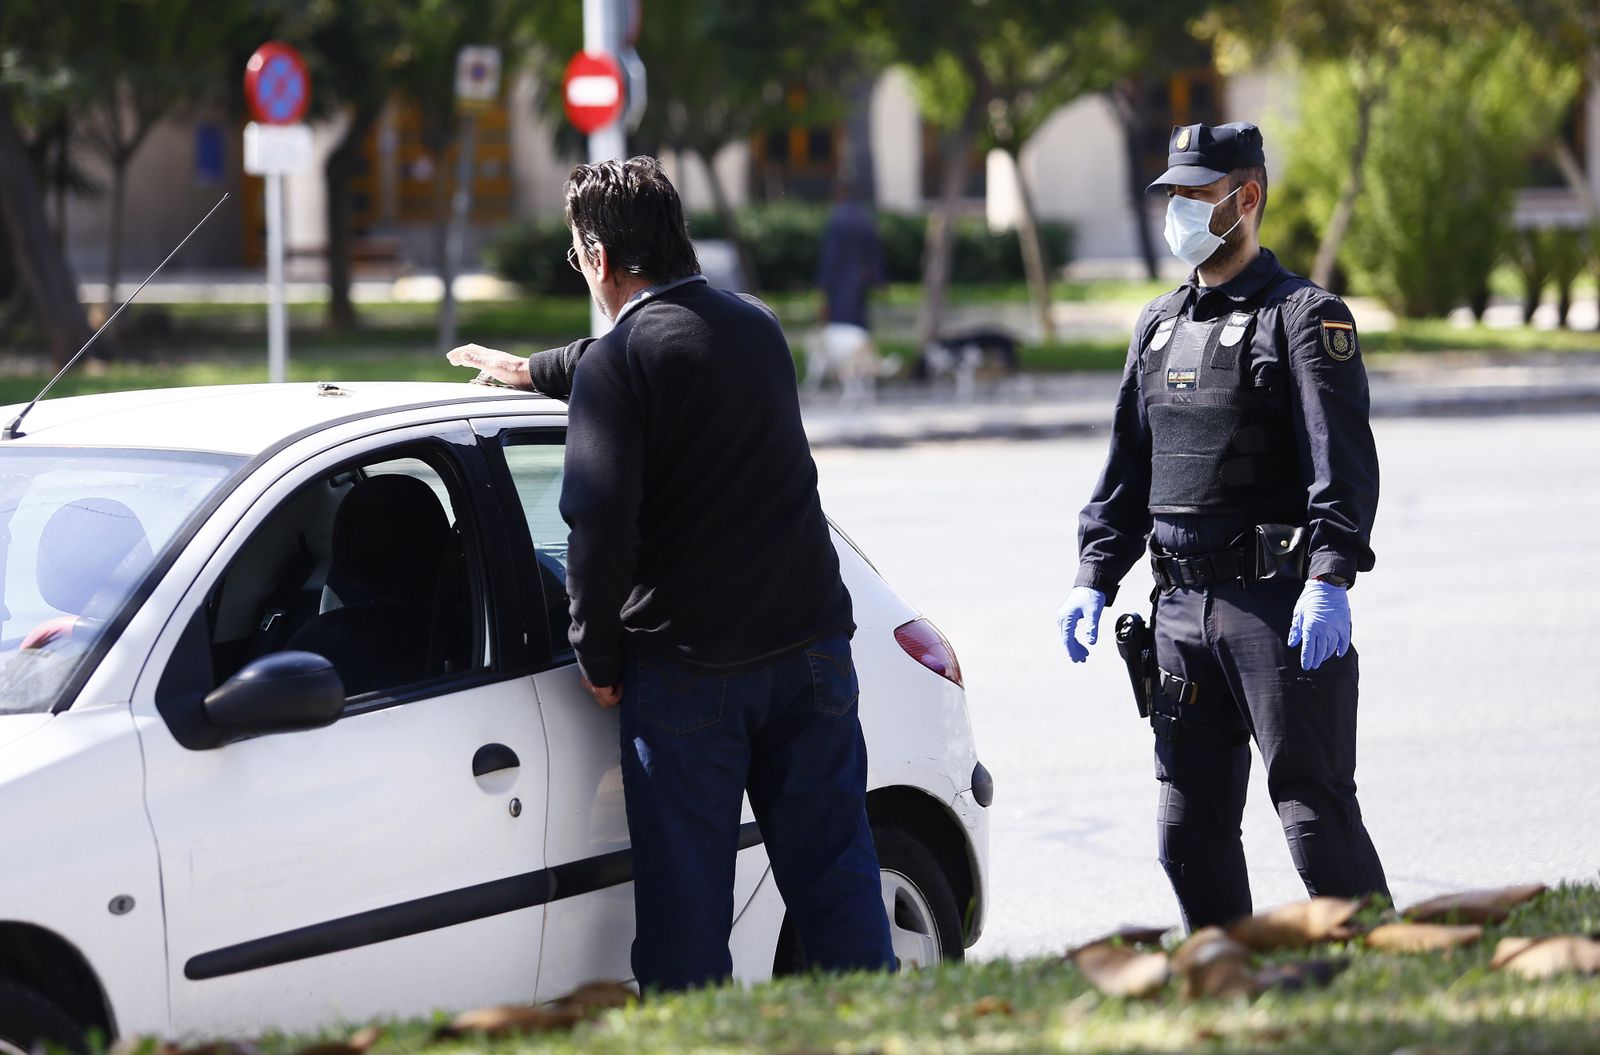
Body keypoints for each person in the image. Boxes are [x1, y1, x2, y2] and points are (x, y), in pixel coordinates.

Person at [446, 156, 895, 990]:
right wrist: (535, 370)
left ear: (598, 259)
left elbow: (596, 525)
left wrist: (598, 655)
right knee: (840, 892)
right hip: (813, 656)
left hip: (691, 680)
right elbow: (661, 352)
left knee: (686, 926)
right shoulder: (755, 327)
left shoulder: (622, 366)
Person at [1054, 122, 1390, 931]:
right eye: (1173, 194)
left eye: (1198, 195)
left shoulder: (1304, 317)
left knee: (1314, 817)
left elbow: (1340, 464)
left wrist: (1330, 577)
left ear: (1247, 198)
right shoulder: (1158, 324)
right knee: (1185, 834)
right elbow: (1129, 470)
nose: (1180, 211)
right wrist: (1093, 576)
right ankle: (1236, 981)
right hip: (1178, 614)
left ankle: (1395, 967)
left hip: (1273, 609)